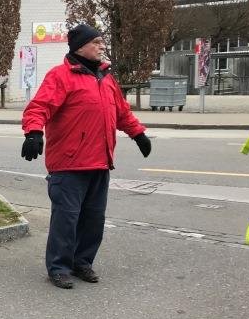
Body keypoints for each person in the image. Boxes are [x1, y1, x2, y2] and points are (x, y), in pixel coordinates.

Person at [21, 23, 151, 289]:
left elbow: (122, 112)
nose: (102, 46)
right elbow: (39, 107)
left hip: (100, 162)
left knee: (93, 219)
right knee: (66, 220)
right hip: (69, 165)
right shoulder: (60, 76)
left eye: (102, 42)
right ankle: (59, 267)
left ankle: (82, 262)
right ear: (81, 46)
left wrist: (138, 134)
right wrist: (33, 132)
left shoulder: (106, 78)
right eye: (97, 42)